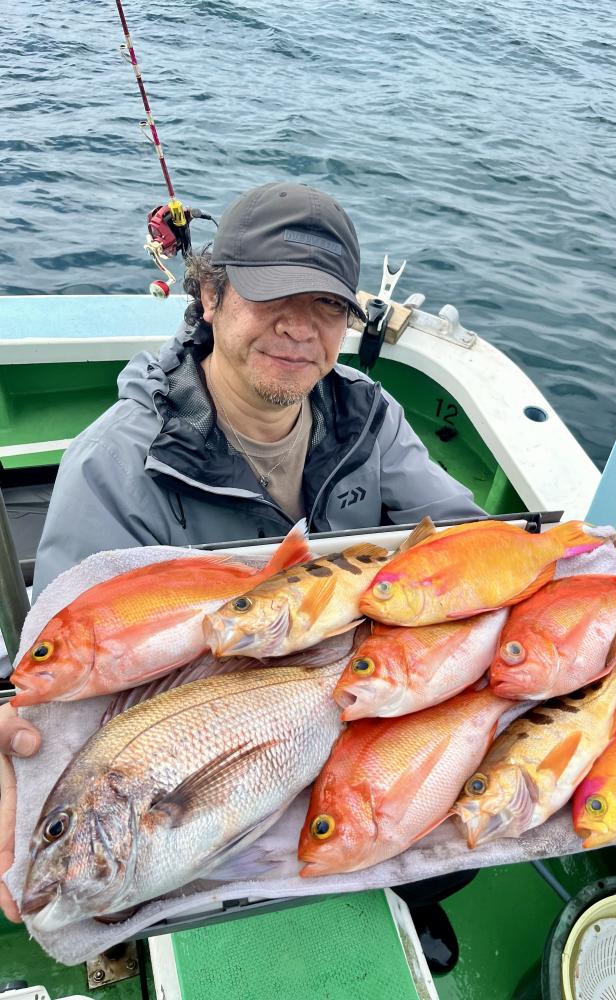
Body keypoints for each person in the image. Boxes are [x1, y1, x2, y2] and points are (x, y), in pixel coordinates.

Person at [0, 181, 484, 970]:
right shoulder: (115, 467)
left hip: (362, 693)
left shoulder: (368, 416)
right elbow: (68, 670)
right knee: (166, 890)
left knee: (454, 844)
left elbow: (465, 543)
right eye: (271, 295)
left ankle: (407, 888)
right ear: (211, 296)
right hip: (219, 745)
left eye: (326, 306)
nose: (299, 327)